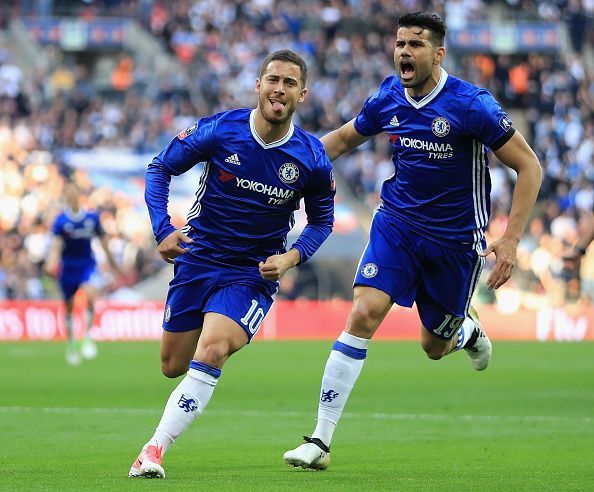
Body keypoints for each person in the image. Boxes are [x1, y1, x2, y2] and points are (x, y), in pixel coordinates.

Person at [283, 12, 542, 470]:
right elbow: (343, 139)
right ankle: (318, 442)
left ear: (438, 54)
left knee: (433, 346)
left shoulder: (471, 105)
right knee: (363, 311)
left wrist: (511, 239)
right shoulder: (388, 96)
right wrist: (287, 165)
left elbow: (529, 167)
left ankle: (466, 330)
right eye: (400, 43)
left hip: (455, 243)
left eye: (416, 44)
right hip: (397, 225)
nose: (404, 51)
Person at [129, 49, 335, 479]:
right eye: (273, 79)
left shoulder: (312, 157)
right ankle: (179, 404)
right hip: (198, 260)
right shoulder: (222, 130)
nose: (280, 89)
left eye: (290, 83)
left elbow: (323, 221)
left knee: (214, 348)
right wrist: (162, 229)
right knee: (172, 366)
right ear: (258, 85)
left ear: (303, 94)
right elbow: (160, 167)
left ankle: (153, 451)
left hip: (251, 274)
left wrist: (292, 256)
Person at [45, 182, 121, 366]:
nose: (71, 196)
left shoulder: (92, 218)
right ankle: (71, 342)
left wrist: (113, 264)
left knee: (90, 295)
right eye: (68, 193)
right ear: (65, 196)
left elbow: (103, 242)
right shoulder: (61, 221)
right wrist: (51, 261)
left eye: (74, 193)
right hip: (68, 267)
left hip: (87, 265)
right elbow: (56, 245)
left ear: (79, 195)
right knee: (69, 306)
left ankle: (86, 336)